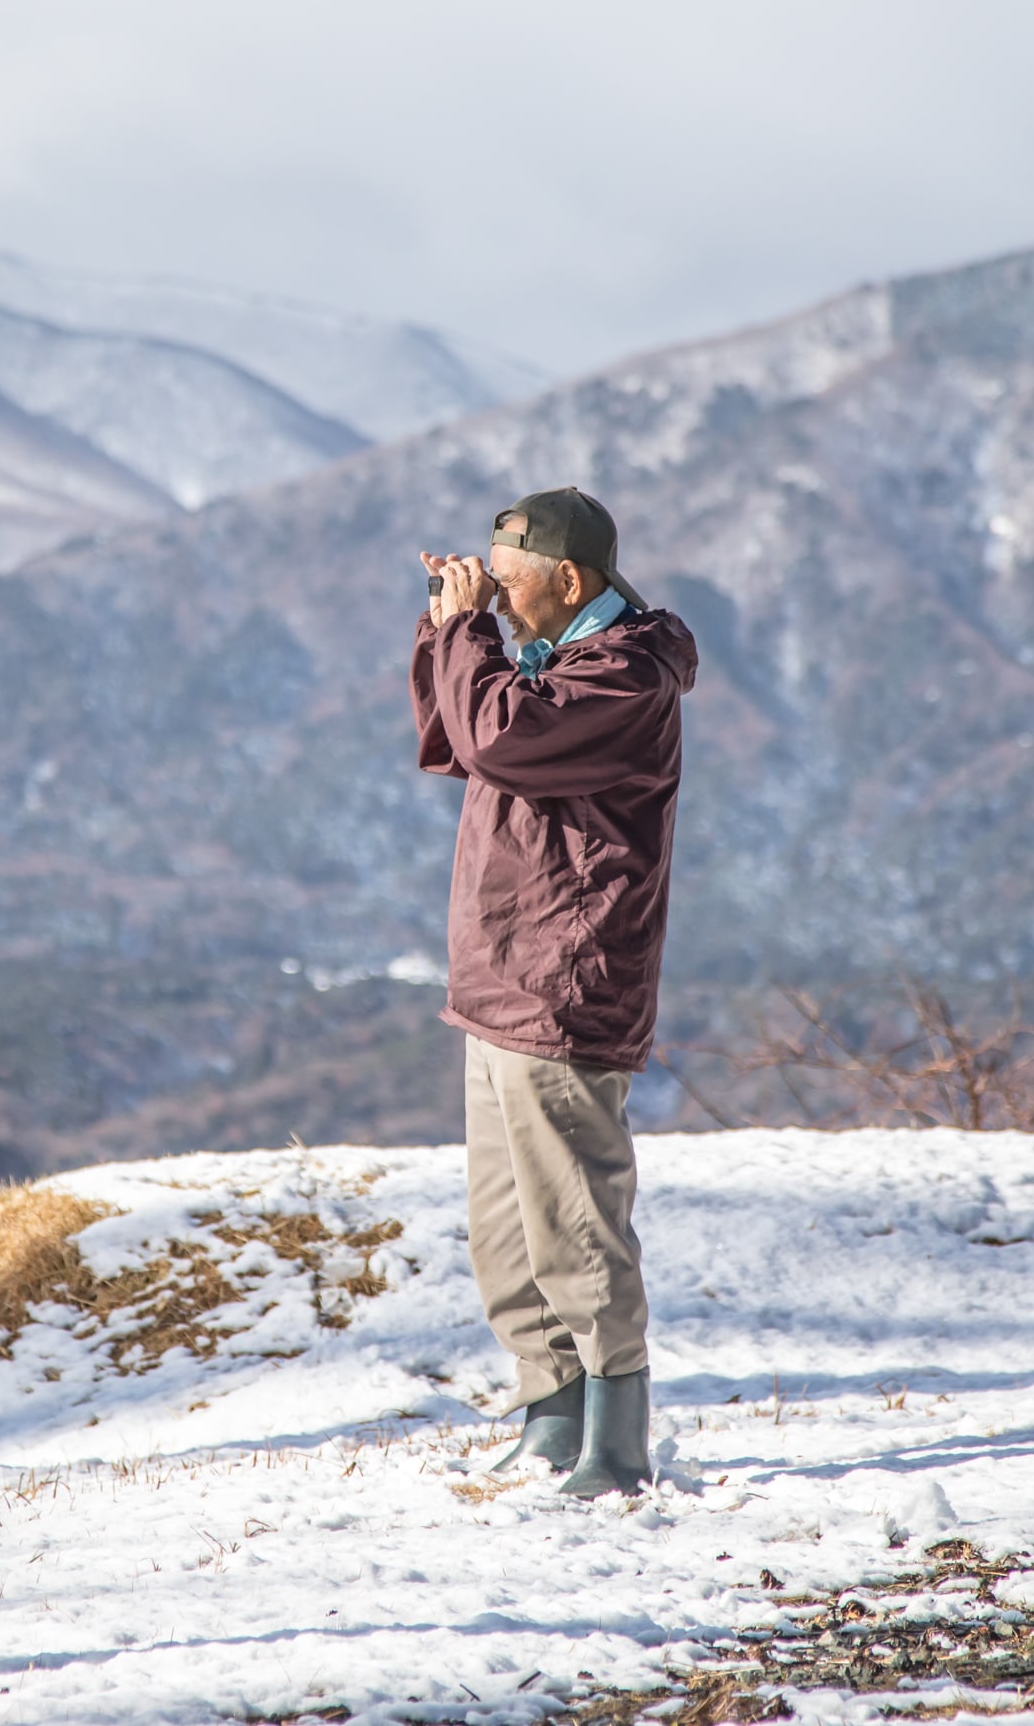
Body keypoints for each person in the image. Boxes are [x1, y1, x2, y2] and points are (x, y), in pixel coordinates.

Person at [412, 487, 698, 1498]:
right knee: (508, 1231)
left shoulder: (622, 677)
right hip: (500, 980)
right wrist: (460, 624)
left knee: (576, 1225)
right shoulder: (547, 661)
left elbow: (498, 739)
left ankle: (616, 1440)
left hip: (564, 988)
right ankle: (552, 1412)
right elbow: (454, 731)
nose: (494, 589)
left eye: (510, 574)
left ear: (570, 580)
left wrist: (467, 632)